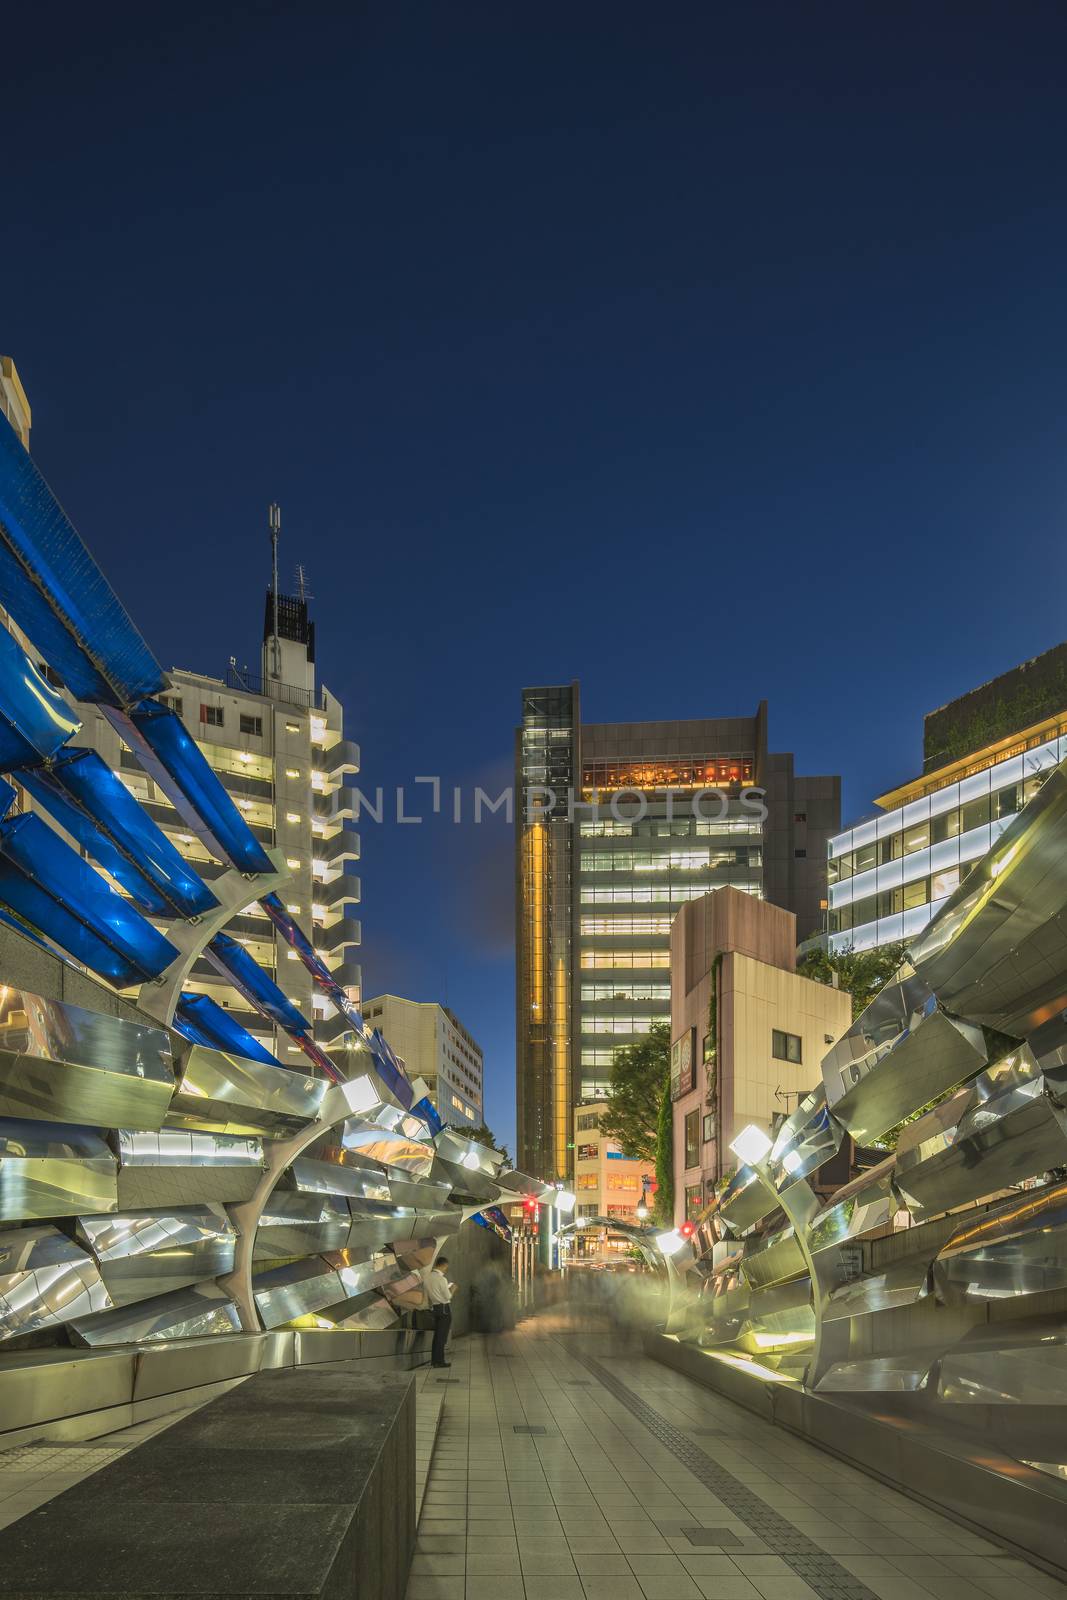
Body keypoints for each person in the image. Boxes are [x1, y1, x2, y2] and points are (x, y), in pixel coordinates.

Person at [422, 1254, 455, 1368]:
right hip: (444, 1309)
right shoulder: (442, 1279)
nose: (446, 1269)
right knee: (442, 1336)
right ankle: (439, 1361)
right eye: (446, 1267)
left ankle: (434, 1360)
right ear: (444, 1265)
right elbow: (448, 1297)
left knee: (437, 1336)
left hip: (435, 1308)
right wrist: (453, 1289)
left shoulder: (427, 1278)